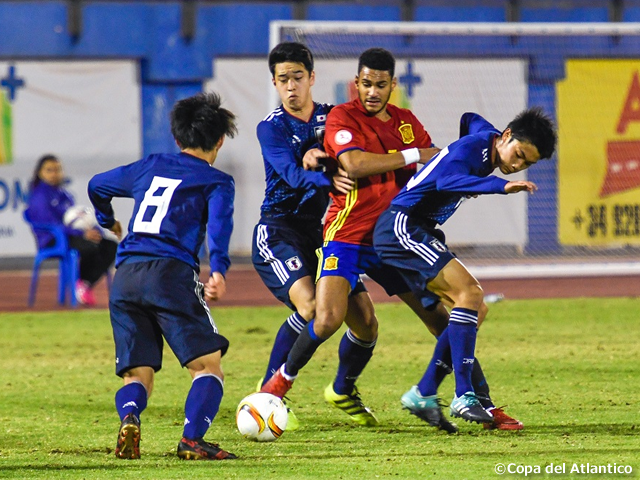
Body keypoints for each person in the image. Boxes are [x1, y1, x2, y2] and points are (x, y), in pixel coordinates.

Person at [373, 108, 557, 424]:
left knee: (474, 309)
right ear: (509, 135)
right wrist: (499, 186)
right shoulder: (474, 150)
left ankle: (424, 391)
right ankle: (463, 396)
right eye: (519, 155)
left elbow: (469, 117)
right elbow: (445, 181)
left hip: (417, 229)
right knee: (470, 292)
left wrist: (457, 153)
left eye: (527, 163)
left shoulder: (487, 137)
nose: (517, 165)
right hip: (402, 226)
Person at [87, 92, 238, 460]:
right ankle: (192, 439)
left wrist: (107, 220)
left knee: (137, 374)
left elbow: (96, 184)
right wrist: (218, 269)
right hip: (169, 274)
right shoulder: (216, 181)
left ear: (177, 137)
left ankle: (130, 417)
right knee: (208, 367)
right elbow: (219, 228)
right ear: (219, 140)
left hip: (125, 277)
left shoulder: (150, 165)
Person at [252, 41, 358, 430]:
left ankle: (345, 388)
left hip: (327, 233)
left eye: (297, 77)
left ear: (312, 78)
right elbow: (294, 176)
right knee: (311, 306)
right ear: (275, 84)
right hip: (280, 230)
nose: (291, 87)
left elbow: (351, 148)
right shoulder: (271, 128)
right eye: (283, 80)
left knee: (364, 319)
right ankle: (269, 394)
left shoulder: (335, 118)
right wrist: (320, 166)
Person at [25, 154, 117, 306]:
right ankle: (80, 283)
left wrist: (93, 230)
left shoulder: (65, 195)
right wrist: (82, 233)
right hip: (53, 239)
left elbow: (76, 218)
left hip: (72, 236)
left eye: (57, 169)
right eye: (49, 170)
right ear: (40, 173)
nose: (54, 173)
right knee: (89, 247)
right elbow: (54, 225)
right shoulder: (39, 197)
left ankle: (84, 284)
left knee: (109, 245)